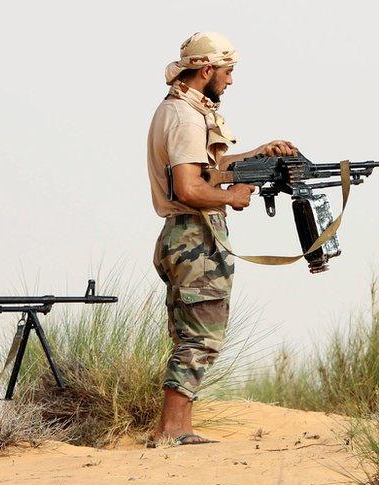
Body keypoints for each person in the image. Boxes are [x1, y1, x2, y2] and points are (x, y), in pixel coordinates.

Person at [146, 32, 298, 445]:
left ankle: (173, 429)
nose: (230, 81)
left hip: (183, 237)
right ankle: (174, 430)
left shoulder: (182, 110)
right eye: (227, 72)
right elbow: (191, 187)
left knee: (188, 335)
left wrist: (258, 154)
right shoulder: (186, 117)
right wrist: (231, 198)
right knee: (201, 337)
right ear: (208, 70)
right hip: (195, 236)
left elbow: (210, 166)